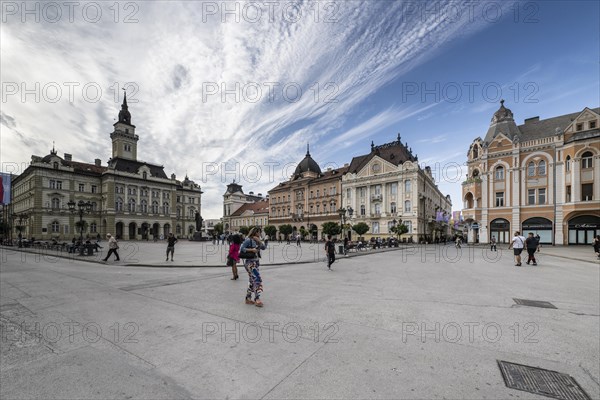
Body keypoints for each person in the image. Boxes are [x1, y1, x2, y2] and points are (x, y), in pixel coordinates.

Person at [240, 227, 266, 307]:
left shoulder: (257, 240)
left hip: (256, 262)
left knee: (252, 280)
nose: (260, 233)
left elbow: (264, 248)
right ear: (255, 232)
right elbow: (242, 249)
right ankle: (257, 299)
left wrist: (260, 241)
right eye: (259, 232)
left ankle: (248, 298)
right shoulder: (249, 240)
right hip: (250, 263)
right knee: (256, 278)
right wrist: (251, 250)